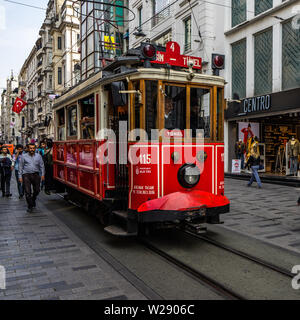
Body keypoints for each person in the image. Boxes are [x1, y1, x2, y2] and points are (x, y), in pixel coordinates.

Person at [18, 143, 45, 213]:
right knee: (27, 192)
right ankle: (30, 206)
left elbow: (42, 166)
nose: (32, 149)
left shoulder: (38, 156)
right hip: (26, 175)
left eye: (33, 148)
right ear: (28, 149)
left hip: (36, 175)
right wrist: (20, 176)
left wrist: (43, 175)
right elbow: (20, 167)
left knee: (37, 190)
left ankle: (33, 200)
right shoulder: (23, 156)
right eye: (30, 148)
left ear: (35, 148)